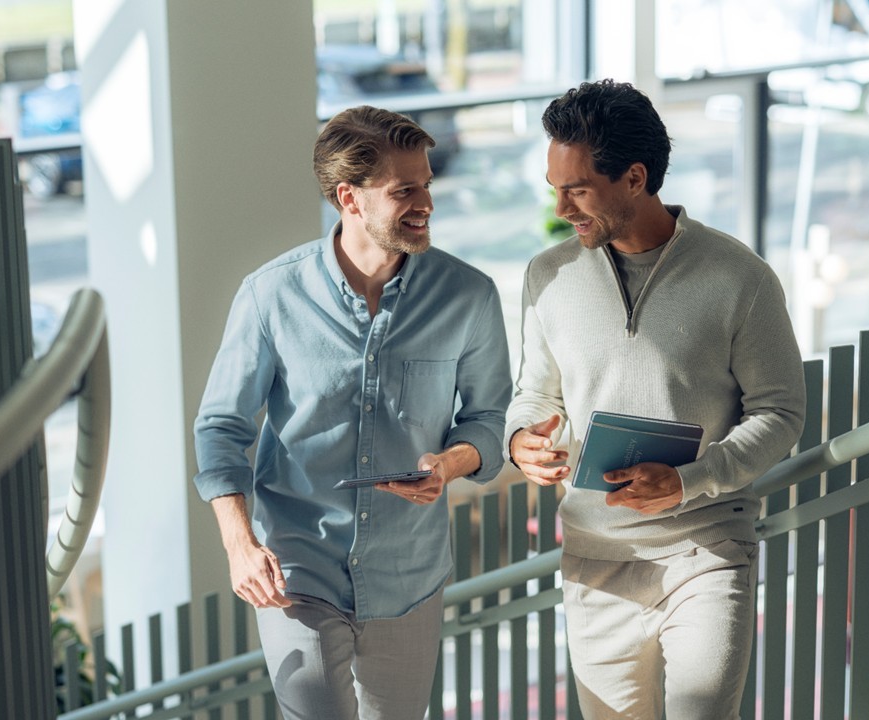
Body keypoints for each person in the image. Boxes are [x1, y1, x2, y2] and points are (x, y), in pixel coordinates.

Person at [193, 105, 512, 720]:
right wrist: (239, 542)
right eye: (405, 191)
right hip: (298, 571)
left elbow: (489, 418)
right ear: (351, 198)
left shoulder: (468, 296)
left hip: (409, 574)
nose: (427, 203)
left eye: (427, 184)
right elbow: (220, 427)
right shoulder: (271, 295)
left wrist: (449, 464)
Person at [506, 79, 806, 720]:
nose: (561, 206)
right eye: (554, 186)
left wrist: (692, 481)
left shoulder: (739, 278)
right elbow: (534, 391)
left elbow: (781, 413)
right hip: (595, 559)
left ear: (635, 177)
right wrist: (522, 438)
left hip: (706, 550)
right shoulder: (547, 275)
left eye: (577, 189)